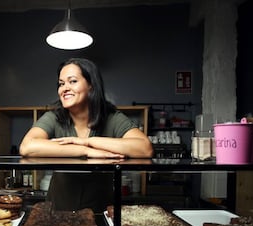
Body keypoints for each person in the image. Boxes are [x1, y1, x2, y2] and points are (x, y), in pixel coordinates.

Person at [19, 58, 153, 211]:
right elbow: (27, 147)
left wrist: (88, 141)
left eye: (73, 81)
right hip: (59, 211)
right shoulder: (54, 117)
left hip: (101, 212)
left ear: (91, 85)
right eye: (61, 84)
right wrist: (86, 151)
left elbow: (145, 148)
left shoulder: (112, 117)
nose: (64, 88)